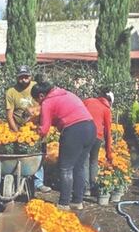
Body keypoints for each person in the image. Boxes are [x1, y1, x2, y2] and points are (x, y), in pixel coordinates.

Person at [31, 82, 95, 210]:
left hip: (73, 131)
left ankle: (64, 203)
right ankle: (77, 201)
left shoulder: (47, 102)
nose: (38, 104)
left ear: (41, 95)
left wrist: (33, 132)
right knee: (79, 167)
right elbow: (62, 115)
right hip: (90, 128)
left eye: (37, 100)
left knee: (65, 167)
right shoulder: (66, 93)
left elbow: (44, 130)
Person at [5, 65, 49, 193]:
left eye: (26, 77)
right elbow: (9, 115)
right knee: (20, 156)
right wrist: (16, 132)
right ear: (17, 78)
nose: (24, 79)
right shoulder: (11, 92)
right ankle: (17, 180)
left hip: (37, 128)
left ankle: (38, 183)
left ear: (30, 76)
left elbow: (46, 105)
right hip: (19, 128)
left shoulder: (37, 87)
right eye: (21, 77)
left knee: (39, 154)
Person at [82, 89, 115, 198]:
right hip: (97, 136)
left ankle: (85, 189)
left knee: (84, 160)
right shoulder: (106, 109)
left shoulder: (88, 101)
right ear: (109, 101)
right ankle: (94, 187)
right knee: (93, 160)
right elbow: (108, 131)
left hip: (84, 133)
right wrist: (108, 152)